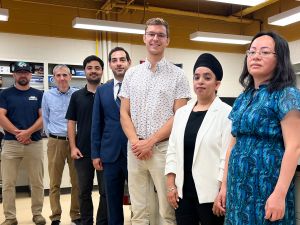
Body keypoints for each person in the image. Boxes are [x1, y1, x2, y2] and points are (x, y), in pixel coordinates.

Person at [215, 31, 300, 224]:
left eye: (264, 52)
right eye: (251, 52)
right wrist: (224, 186)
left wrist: (279, 194)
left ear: (280, 59)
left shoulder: (287, 95)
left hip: (267, 187)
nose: (255, 56)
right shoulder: (243, 98)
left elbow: (294, 147)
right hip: (238, 188)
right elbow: (232, 145)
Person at [119, 18, 191, 225]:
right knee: (138, 211)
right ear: (144, 38)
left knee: (167, 210)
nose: (155, 38)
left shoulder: (178, 76)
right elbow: (124, 112)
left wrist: (149, 142)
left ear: (167, 40)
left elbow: (179, 115)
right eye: (151, 34)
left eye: (160, 35)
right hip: (135, 150)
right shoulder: (131, 74)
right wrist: (136, 142)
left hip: (163, 150)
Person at [165, 53, 232, 225]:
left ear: (217, 84)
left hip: (211, 197)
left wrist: (220, 192)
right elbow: (172, 151)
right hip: (183, 194)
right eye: (196, 77)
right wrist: (171, 185)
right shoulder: (181, 113)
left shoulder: (227, 114)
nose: (200, 81)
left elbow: (226, 157)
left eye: (207, 77)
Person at [0, 61, 46, 225]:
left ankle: (37, 214)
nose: (23, 75)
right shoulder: (5, 94)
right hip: (11, 144)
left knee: (37, 182)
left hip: (34, 143)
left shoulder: (39, 94)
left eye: (26, 72)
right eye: (19, 72)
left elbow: (43, 118)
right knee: (8, 183)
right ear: (14, 74)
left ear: (30, 75)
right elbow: (1, 116)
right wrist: (18, 134)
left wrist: (28, 132)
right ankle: (10, 217)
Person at [66, 55, 108, 225]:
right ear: (85, 71)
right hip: (82, 151)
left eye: (97, 68)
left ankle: (102, 222)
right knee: (83, 191)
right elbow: (71, 122)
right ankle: (86, 222)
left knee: (105, 192)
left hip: (105, 151)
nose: (93, 71)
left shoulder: (108, 93)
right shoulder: (76, 96)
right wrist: (72, 147)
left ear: (102, 71)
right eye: (90, 68)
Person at [91, 47, 131, 225]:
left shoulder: (137, 87)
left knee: (138, 200)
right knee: (112, 201)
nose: (119, 63)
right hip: (110, 154)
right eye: (114, 60)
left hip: (134, 151)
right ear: (110, 64)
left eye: (122, 59)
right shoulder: (102, 90)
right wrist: (95, 153)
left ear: (128, 63)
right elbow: (97, 123)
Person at [42, 65, 81, 225]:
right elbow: (45, 117)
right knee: (54, 182)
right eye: (58, 75)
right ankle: (55, 216)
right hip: (55, 142)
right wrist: (52, 135)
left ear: (70, 77)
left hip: (76, 142)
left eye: (65, 75)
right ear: (53, 78)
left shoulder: (77, 95)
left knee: (77, 181)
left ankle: (75, 215)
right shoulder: (47, 95)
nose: (62, 78)